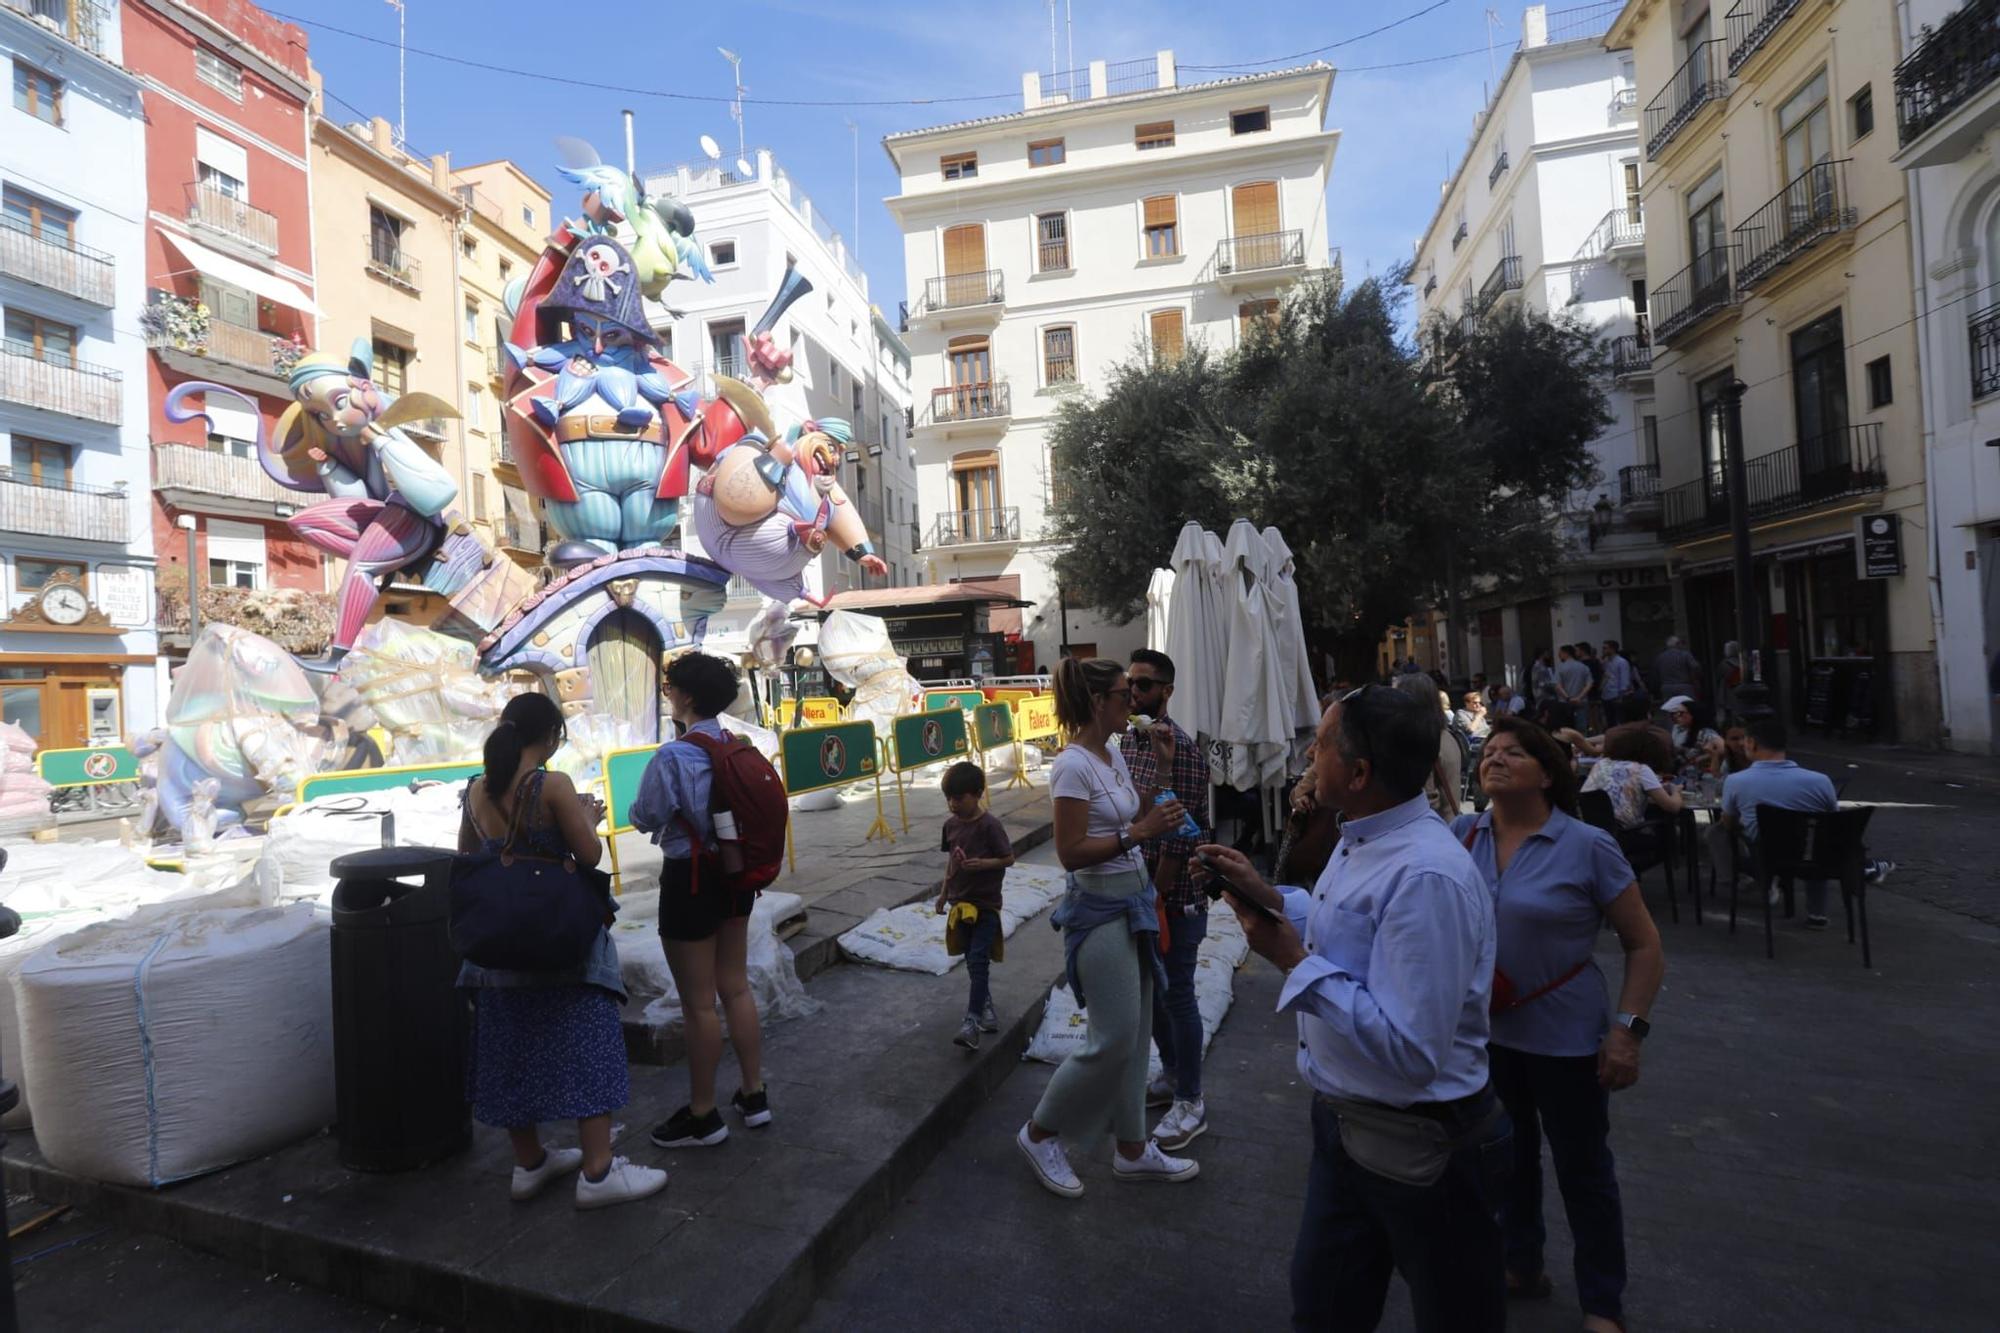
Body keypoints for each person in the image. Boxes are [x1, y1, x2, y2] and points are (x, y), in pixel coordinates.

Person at [1195, 686, 1508, 1332]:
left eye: (1322, 745)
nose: (1310, 755)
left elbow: (1414, 1050)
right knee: (1324, 1307)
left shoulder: (1426, 875)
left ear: (1360, 773)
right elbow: (1347, 929)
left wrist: (1293, 961)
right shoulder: (1361, 834)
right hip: (1343, 1130)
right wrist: (1275, 900)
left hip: (1422, 1146)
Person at [1454, 717, 1665, 1333]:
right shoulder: (1461, 835)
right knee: (1505, 1162)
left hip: (1566, 1038)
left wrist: (1628, 1030)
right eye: (1488, 751)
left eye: (1513, 752)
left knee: (1583, 1170)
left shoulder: (1586, 844)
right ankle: (1521, 1264)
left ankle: (1603, 1301)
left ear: (1547, 772)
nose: (1494, 759)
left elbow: (1644, 944)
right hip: (1484, 1036)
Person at [457, 694, 666, 1209]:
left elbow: (466, 856)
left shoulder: (475, 792)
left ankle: (529, 1164)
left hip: (498, 949)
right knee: (585, 1038)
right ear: (550, 735)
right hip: (559, 937)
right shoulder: (551, 784)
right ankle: (597, 1173)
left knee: (509, 1048)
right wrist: (587, 817)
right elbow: (588, 854)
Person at [1017, 656, 1198, 1197]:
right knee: (1113, 1037)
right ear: (1099, 703)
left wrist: (1162, 777)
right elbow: (1070, 853)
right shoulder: (1072, 764)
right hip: (1097, 909)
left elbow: (1129, 813)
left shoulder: (1113, 753)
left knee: (1137, 1033)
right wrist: (1138, 835)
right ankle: (1039, 1131)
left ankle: (1133, 1148)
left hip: (1133, 900)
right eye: (1125, 695)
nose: (1134, 703)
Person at [632, 652, 771, 1150]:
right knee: (735, 986)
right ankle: (754, 1096)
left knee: (697, 1004)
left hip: (690, 878)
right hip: (735, 877)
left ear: (686, 697)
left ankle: (702, 1114)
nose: (667, 694)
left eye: (670, 688)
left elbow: (645, 815)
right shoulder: (736, 744)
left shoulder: (674, 756)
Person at [1115, 648, 1213, 1152]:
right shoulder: (1128, 742)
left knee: (1177, 994)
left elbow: (1178, 836)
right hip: (1139, 891)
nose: (1135, 693)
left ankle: (1191, 1099)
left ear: (1167, 692)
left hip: (1173, 897)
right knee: (1151, 994)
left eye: (1146, 686)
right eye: (1132, 684)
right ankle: (1173, 1073)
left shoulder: (1184, 752)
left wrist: (1153, 896)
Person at [1718, 719, 1892, 928]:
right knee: (1817, 832)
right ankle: (1819, 910)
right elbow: (1833, 822)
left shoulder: (1736, 781)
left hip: (1768, 858)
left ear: (1752, 744)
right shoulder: (1820, 781)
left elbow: (1727, 823)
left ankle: (1864, 867)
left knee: (1724, 835)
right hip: (1817, 858)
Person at [934, 761, 1016, 1051]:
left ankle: (971, 1021)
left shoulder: (991, 826)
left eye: (959, 798)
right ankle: (985, 1004)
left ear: (978, 794)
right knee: (972, 961)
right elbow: (950, 862)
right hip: (960, 905)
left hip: (986, 905)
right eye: (949, 798)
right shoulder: (950, 826)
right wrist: (944, 894)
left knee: (979, 958)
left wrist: (984, 864)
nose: (953, 804)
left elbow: (1008, 859)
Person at [1582, 726, 1685, 830]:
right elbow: (1672, 807)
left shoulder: (1601, 764)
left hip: (1591, 829)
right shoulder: (1640, 770)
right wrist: (1675, 790)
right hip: (1624, 833)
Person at [1393, 672, 1462, 818]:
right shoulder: (1445, 734)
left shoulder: (1421, 740)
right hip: (1447, 825)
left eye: (1394, 695)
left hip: (1433, 830)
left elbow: (1428, 800)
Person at [1662, 696, 1723, 770]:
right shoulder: (1687, 731)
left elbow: (1722, 748)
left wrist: (1701, 759)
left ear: (1693, 714)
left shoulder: (1705, 733)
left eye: (1681, 713)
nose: (1677, 716)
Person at [1653, 635, 1702, 704]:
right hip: (1684, 687)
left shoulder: (1660, 657)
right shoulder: (1685, 655)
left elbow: (1655, 673)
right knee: (1687, 709)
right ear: (1677, 644)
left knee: (1671, 709)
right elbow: (1695, 667)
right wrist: (1694, 679)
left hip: (1667, 688)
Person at [1555, 646, 1593, 731]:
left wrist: (1568, 698)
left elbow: (1558, 686)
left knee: (1566, 729)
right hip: (1581, 702)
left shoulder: (1561, 667)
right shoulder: (1583, 667)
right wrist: (1579, 697)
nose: (1559, 655)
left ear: (1566, 653)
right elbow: (1589, 684)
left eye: (1560, 653)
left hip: (1565, 703)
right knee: (1582, 728)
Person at [1598, 641, 1635, 715]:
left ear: (1612, 649)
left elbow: (1624, 680)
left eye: (1605, 648)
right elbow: (1606, 676)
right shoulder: (1606, 662)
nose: (1603, 650)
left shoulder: (1622, 662)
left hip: (1616, 694)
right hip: (1606, 694)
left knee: (1618, 718)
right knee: (1609, 719)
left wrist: (1621, 695)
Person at [1716, 641, 1743, 721]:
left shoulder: (1724, 663)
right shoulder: (1743, 661)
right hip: (1740, 689)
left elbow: (1718, 676)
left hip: (1728, 691)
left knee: (1729, 711)